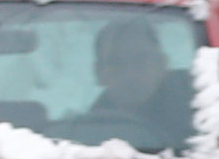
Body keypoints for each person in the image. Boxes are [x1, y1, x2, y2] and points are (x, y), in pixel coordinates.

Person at [82, 16, 194, 149]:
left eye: (142, 61)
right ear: (99, 72)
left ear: (162, 64)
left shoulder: (201, 110)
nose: (130, 74)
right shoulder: (89, 136)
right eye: (116, 63)